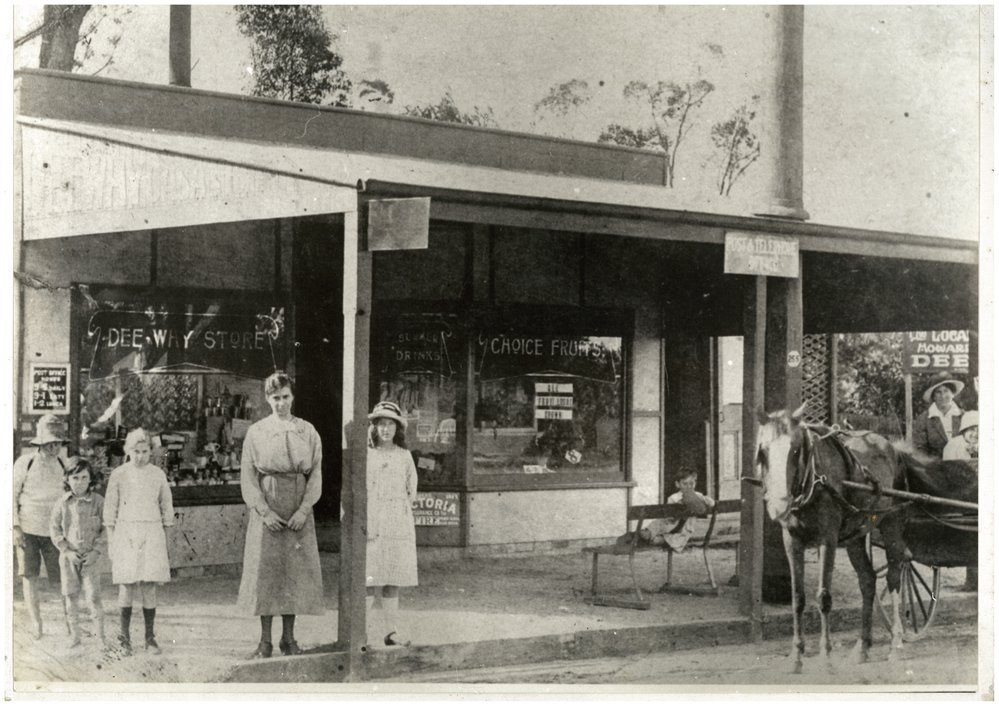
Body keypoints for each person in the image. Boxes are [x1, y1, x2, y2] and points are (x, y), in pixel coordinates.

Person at [237, 373, 324, 659]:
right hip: (268, 503)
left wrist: (304, 509)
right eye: (276, 398)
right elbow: (248, 476)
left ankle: (289, 638)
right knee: (267, 572)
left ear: (293, 397)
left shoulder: (307, 431)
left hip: (297, 504)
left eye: (286, 397)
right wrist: (264, 511)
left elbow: (316, 473)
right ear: (267, 399)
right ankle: (265, 642)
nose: (281, 403)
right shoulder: (257, 432)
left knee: (293, 572)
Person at [104, 428, 174, 655]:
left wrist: (165, 539)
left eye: (144, 452)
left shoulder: (158, 474)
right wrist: (111, 540)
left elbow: (166, 506)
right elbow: (110, 510)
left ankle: (150, 638)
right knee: (127, 584)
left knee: (149, 585)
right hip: (126, 531)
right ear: (128, 451)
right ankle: (124, 638)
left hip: (152, 531)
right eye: (136, 451)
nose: (140, 456)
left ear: (150, 452)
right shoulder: (119, 474)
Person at [366, 401, 419, 647]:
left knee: (392, 577)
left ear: (398, 429)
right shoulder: (368, 455)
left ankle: (390, 631)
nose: (385, 429)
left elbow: (411, 489)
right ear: (374, 428)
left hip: (397, 521)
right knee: (369, 577)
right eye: (381, 424)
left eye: (390, 424)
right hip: (372, 520)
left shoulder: (404, 456)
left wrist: (398, 511)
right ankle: (362, 632)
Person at [13, 413, 69, 638]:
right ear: (40, 443)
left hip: (55, 531)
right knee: (30, 577)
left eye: (57, 444)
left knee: (62, 578)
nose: (53, 448)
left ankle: (70, 621)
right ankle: (36, 623)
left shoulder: (64, 464)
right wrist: (15, 527)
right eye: (49, 444)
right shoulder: (25, 463)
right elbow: (9, 496)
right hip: (28, 529)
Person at [49, 458, 106, 647]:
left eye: (84, 477)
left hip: (91, 558)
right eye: (75, 478)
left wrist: (96, 551)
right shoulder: (62, 503)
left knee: (93, 597)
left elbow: (106, 528)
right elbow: (54, 529)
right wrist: (66, 550)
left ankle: (100, 637)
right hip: (69, 558)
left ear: (90, 479)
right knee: (71, 596)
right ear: (67, 479)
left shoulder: (98, 502)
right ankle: (75, 635)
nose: (80, 482)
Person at [639, 468, 715, 552]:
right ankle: (649, 532)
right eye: (685, 484)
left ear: (695, 483)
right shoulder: (674, 497)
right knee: (659, 522)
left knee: (682, 536)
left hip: (685, 524)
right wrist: (680, 504)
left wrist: (706, 500)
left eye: (691, 483)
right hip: (672, 521)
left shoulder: (697, 495)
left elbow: (711, 503)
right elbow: (669, 512)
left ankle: (662, 540)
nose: (688, 486)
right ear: (677, 484)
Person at [911, 373, 964, 458]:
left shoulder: (963, 416)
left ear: (952, 394)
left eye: (946, 391)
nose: (943, 396)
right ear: (933, 396)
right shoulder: (924, 419)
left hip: (961, 463)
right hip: (934, 464)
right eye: (938, 392)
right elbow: (919, 449)